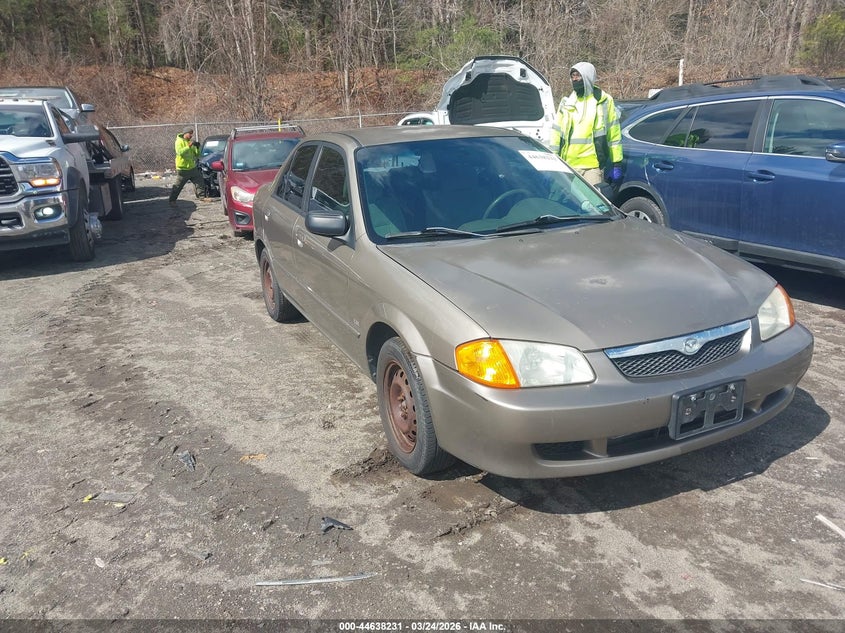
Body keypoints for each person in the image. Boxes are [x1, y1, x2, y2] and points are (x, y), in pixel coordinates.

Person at [549, 62, 623, 187]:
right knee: (567, 204)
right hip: (568, 165)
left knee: (592, 206)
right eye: (573, 76)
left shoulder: (603, 101)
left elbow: (614, 133)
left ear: (588, 77)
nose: (575, 79)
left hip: (592, 167)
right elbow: (556, 134)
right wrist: (553, 162)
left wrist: (617, 163)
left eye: (578, 75)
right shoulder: (567, 103)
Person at [168, 127, 212, 205]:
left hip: (192, 167)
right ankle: (172, 200)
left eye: (192, 134)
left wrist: (198, 147)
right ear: (185, 133)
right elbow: (180, 152)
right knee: (178, 185)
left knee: (199, 181)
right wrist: (188, 146)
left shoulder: (190, 142)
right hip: (183, 169)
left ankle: (202, 197)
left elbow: (197, 155)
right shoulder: (179, 141)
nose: (191, 135)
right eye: (190, 134)